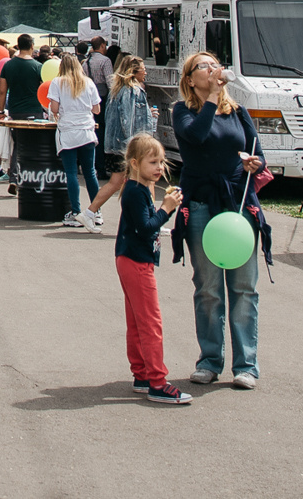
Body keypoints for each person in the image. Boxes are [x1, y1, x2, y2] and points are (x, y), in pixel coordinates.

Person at [174, 53, 263, 388]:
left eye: (215, 65)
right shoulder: (183, 111)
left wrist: (254, 163)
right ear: (190, 79)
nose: (212, 70)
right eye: (203, 66)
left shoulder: (238, 111)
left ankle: (246, 366)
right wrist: (212, 97)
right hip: (201, 205)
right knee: (209, 288)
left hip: (239, 204)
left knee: (243, 287)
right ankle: (210, 360)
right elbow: (195, 137)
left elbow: (257, 149)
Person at [114, 132, 193, 405]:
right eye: (153, 162)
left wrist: (165, 209)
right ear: (135, 164)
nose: (159, 168)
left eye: (161, 162)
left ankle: (142, 374)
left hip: (130, 258)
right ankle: (158, 382)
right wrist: (166, 209)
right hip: (136, 262)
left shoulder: (137, 189)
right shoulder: (135, 192)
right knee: (150, 322)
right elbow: (146, 228)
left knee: (137, 321)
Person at [90, 56, 157, 217]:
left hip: (118, 144)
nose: (145, 72)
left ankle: (90, 213)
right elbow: (127, 119)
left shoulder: (119, 89)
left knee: (118, 182)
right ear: (134, 71)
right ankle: (150, 217)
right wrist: (135, 146)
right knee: (146, 180)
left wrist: (148, 113)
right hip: (129, 145)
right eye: (143, 68)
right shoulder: (132, 90)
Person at [51, 51, 103, 229]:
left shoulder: (57, 82)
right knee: (90, 172)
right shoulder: (88, 82)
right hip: (87, 130)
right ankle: (96, 212)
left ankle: (76, 212)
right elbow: (96, 109)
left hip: (68, 131)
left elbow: (55, 108)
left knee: (71, 173)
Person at [0, 36, 45, 194]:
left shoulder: (8, 65)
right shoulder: (38, 66)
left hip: (15, 110)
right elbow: (43, 89)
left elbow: (3, 91)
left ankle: (14, 178)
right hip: (34, 110)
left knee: (18, 144)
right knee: (33, 146)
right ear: (32, 46)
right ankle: (31, 179)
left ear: (18, 46)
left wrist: (1, 112)